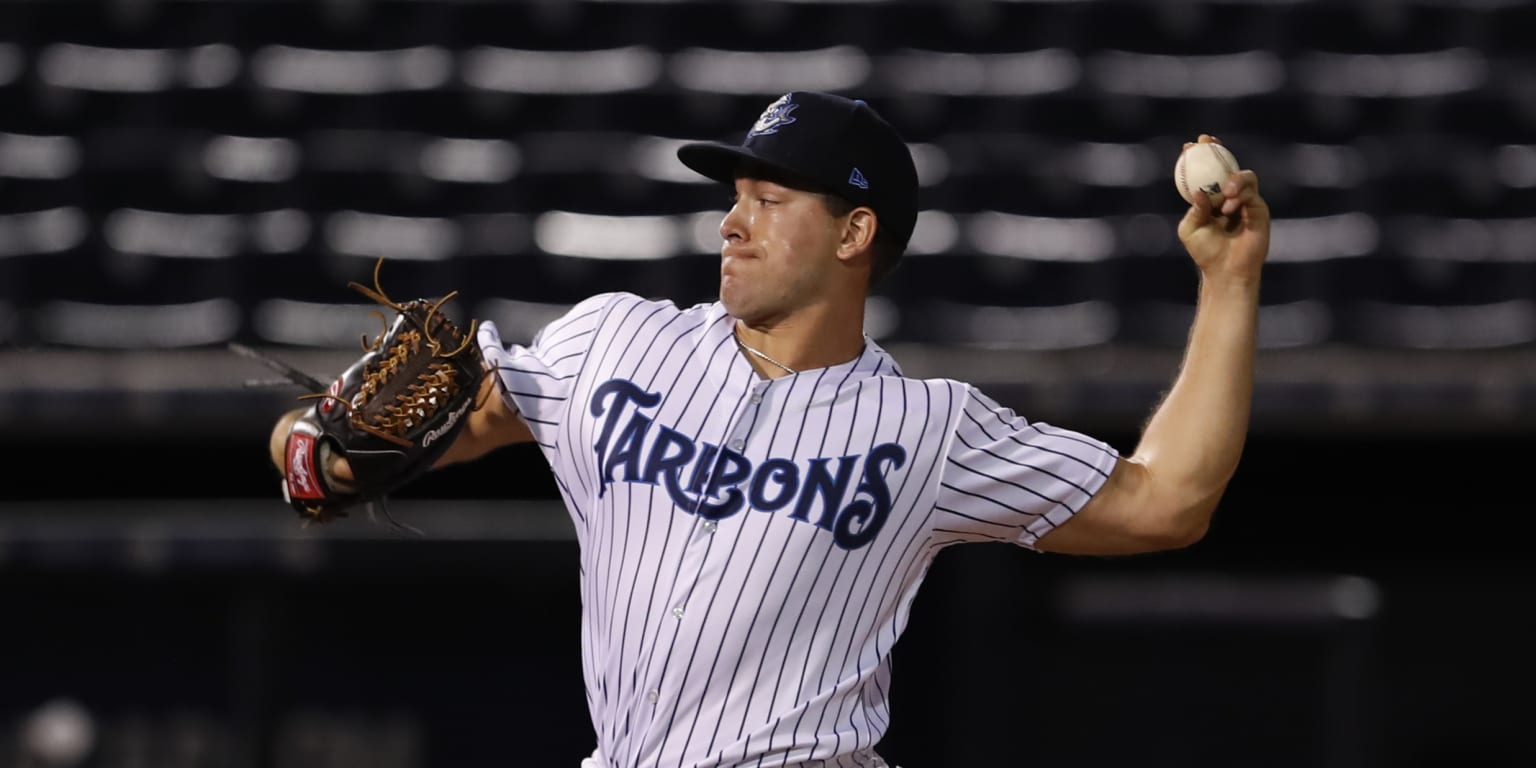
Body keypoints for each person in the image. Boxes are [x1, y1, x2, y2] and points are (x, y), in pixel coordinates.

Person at [269, 90, 1270, 768]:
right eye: (734, 197)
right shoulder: (617, 342)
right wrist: (314, 444)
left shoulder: (927, 431)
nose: (730, 223)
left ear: (854, 231)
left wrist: (1228, 284)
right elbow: (420, 422)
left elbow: (1166, 503)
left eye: (768, 198)